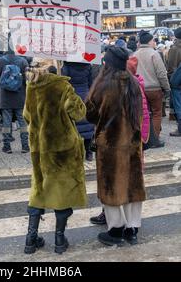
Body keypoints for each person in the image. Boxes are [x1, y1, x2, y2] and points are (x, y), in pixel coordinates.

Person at [23, 59, 87, 255]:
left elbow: (26, 115)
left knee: (39, 190)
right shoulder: (62, 85)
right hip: (63, 149)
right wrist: (72, 94)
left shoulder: (31, 86)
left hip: (39, 148)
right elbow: (79, 113)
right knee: (61, 192)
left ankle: (30, 240)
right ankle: (59, 240)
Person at [86, 47, 146, 246]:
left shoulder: (102, 85)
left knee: (111, 187)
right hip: (132, 144)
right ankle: (132, 229)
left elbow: (91, 115)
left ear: (108, 63)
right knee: (131, 185)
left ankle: (116, 230)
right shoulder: (134, 83)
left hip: (110, 144)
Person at [134, 30, 170, 141]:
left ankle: (144, 138)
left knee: (143, 114)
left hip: (139, 88)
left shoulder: (134, 55)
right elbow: (161, 74)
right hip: (154, 89)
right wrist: (167, 88)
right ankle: (155, 138)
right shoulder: (154, 54)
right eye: (153, 40)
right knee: (156, 113)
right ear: (150, 41)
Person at [0, 45, 29, 154]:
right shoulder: (23, 61)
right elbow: (27, 78)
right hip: (20, 96)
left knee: (6, 122)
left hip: (5, 96)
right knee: (23, 122)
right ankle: (25, 145)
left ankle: (7, 146)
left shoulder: (0, 60)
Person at [61, 61, 94, 161]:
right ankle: (89, 152)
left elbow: (64, 82)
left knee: (73, 124)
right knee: (87, 124)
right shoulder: (88, 65)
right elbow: (91, 82)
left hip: (72, 96)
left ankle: (76, 152)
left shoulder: (66, 66)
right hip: (85, 95)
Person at [167, 27, 181, 136]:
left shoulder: (174, 49)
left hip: (177, 82)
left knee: (179, 106)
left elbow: (170, 67)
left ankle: (180, 128)